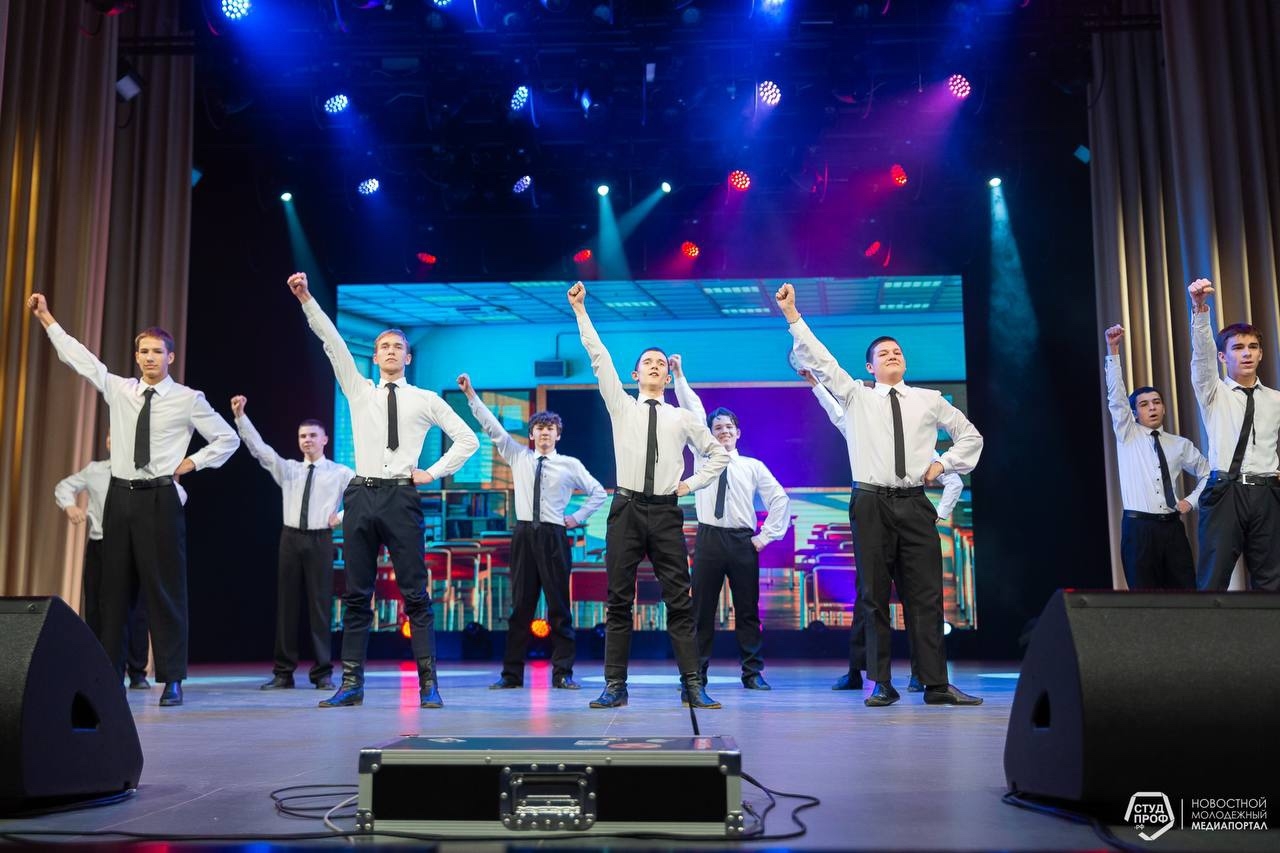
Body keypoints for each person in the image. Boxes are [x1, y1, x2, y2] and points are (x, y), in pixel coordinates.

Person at [776, 283, 983, 707]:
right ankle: (881, 682)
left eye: (897, 352)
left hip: (914, 501)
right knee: (873, 595)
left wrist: (943, 464)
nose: (892, 355)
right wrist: (793, 315)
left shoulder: (929, 400)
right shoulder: (857, 396)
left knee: (926, 595)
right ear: (869, 366)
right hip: (871, 502)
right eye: (883, 353)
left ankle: (935, 684)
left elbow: (970, 435)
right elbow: (822, 359)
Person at [30, 293, 239, 707]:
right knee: (113, 595)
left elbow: (227, 438)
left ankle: (172, 678)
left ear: (170, 357)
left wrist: (192, 463)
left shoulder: (188, 398)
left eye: (157, 352)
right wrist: (46, 317)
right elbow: (80, 358)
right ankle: (109, 678)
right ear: (136, 355)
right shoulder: (120, 389)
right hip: (120, 499)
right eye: (143, 351)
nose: (149, 358)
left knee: (165, 592)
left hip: (159, 497)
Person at [287, 272, 479, 708]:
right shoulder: (360, 391)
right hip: (361, 493)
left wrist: (433, 472)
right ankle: (351, 684)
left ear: (408, 357)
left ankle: (428, 684)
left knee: (415, 593)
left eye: (397, 347)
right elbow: (333, 342)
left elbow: (468, 440)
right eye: (384, 347)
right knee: (357, 594)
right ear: (374, 357)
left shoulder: (425, 399)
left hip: (400, 496)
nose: (391, 351)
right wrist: (307, 299)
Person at [567, 281, 730, 709]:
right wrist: (581, 311)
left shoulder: (683, 417)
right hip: (626, 508)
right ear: (635, 375)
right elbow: (599, 357)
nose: (655, 366)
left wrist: (690, 485)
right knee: (618, 600)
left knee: (679, 600)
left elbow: (718, 454)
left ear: (667, 375)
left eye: (661, 363)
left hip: (665, 512)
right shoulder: (622, 406)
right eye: (648, 363)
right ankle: (615, 685)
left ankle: (692, 684)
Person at [800, 368, 963, 693]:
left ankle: (921, 675)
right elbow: (837, 414)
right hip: (876, 519)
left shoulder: (918, 444)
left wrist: (938, 516)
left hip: (910, 523)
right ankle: (863, 673)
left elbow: (954, 480)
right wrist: (817, 385)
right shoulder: (863, 430)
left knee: (916, 603)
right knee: (870, 599)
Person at [458, 374, 607, 691]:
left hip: (554, 536)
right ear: (531, 434)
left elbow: (598, 492)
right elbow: (493, 428)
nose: (544, 433)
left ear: (558, 434)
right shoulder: (518, 456)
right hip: (524, 535)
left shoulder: (569, 464)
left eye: (550, 429)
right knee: (520, 609)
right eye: (539, 428)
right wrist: (471, 394)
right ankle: (511, 675)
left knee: (559, 608)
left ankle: (563, 673)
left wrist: (576, 517)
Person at [670, 355, 789, 691]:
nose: (723, 431)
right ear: (710, 433)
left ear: (738, 432)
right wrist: (679, 375)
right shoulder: (703, 457)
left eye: (728, 427)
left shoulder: (752, 466)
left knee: (747, 611)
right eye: (717, 427)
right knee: (701, 611)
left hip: (742, 542)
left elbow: (779, 499)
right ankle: (696, 675)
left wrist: (764, 538)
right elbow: (693, 409)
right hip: (709, 539)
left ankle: (752, 673)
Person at [231, 396, 356, 691]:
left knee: (320, 606)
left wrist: (340, 517)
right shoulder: (289, 469)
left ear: (324, 439)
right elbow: (260, 449)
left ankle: (322, 672)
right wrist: (240, 417)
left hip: (320, 538)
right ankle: (283, 672)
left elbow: (362, 497)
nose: (307, 440)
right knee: (287, 606)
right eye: (302, 436)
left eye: (312, 435)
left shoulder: (340, 472)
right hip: (290, 538)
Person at [55, 433, 190, 691]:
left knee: (137, 609)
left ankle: (137, 671)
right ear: (107, 443)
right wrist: (70, 506)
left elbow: (178, 493)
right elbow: (64, 486)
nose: (114, 440)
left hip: (135, 545)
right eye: (110, 437)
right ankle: (100, 669)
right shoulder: (95, 470)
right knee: (98, 607)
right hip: (101, 544)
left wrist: (161, 516)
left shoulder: (143, 472)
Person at [1187, 279, 1280, 591]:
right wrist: (1200, 310)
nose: (1247, 354)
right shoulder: (1214, 393)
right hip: (1225, 492)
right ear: (1223, 357)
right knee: (1213, 579)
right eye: (1238, 348)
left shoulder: (1275, 399)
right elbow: (1201, 358)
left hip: (1266, 492)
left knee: (1272, 581)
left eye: (1252, 347)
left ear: (1261, 354)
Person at [1103, 325, 1208, 590]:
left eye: (1157, 402)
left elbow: (1209, 473)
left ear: (1164, 407)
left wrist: (1191, 501)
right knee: (1144, 599)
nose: (1152, 408)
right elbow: (1116, 399)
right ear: (1134, 413)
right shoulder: (1128, 434)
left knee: (1185, 595)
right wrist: (1113, 351)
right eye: (1144, 404)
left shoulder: (1179, 444)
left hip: (1172, 528)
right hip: (1139, 528)